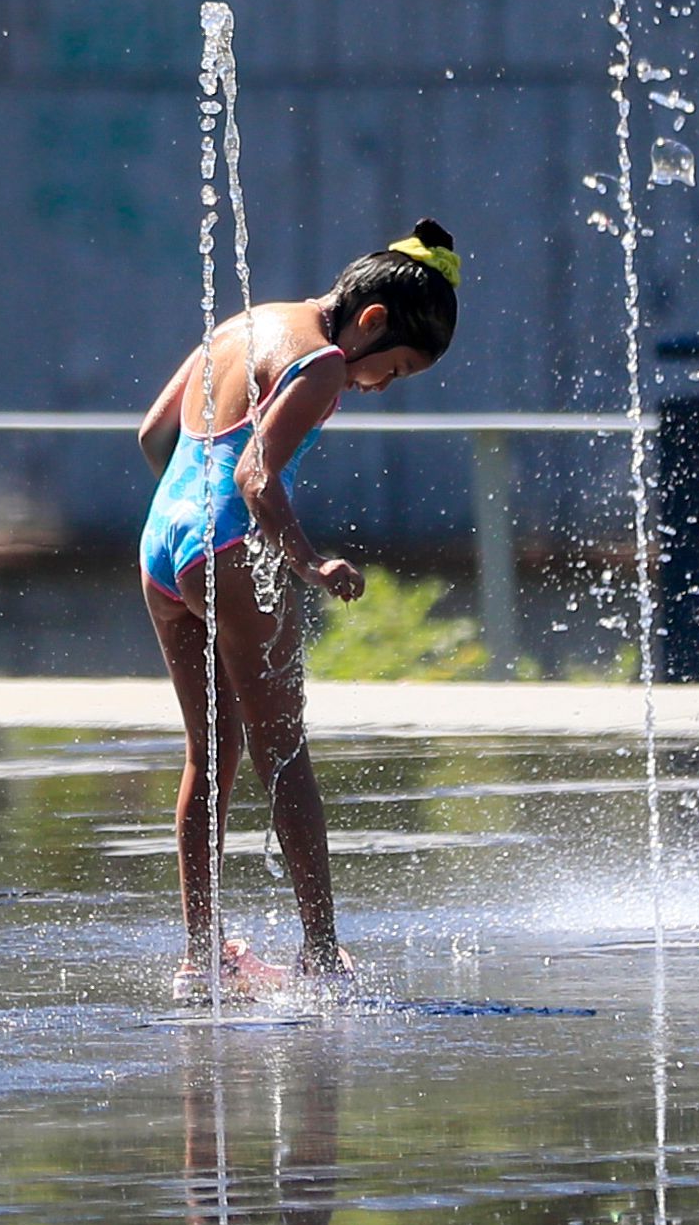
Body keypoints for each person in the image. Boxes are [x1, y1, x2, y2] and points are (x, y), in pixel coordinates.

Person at [134, 222, 459, 985]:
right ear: (370, 321)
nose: (380, 386)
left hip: (160, 543)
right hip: (227, 544)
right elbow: (253, 474)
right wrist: (308, 561)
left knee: (208, 754)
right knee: (283, 756)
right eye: (394, 369)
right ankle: (319, 954)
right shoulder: (322, 363)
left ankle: (202, 956)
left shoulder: (243, 323)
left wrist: (188, 523)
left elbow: (153, 435)